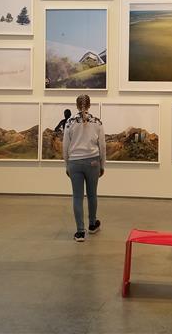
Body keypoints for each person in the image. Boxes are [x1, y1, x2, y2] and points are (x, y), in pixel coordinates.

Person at [62, 94, 105, 242]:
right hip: (92, 162)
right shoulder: (97, 122)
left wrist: (67, 165)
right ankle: (92, 224)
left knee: (77, 197)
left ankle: (80, 232)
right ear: (89, 105)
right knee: (92, 195)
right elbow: (102, 146)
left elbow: (65, 146)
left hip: (74, 162)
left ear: (76, 105)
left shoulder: (69, 122)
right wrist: (102, 165)